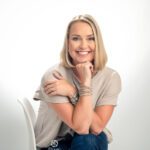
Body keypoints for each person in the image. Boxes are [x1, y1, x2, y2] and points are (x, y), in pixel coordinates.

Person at [33, 14, 121, 150]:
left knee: (89, 139)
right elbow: (81, 127)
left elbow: (96, 128)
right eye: (76, 38)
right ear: (67, 42)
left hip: (91, 141)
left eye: (90, 38)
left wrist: (75, 90)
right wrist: (85, 85)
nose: (83, 45)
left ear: (97, 42)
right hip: (55, 145)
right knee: (87, 139)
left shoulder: (111, 77)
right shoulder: (54, 76)